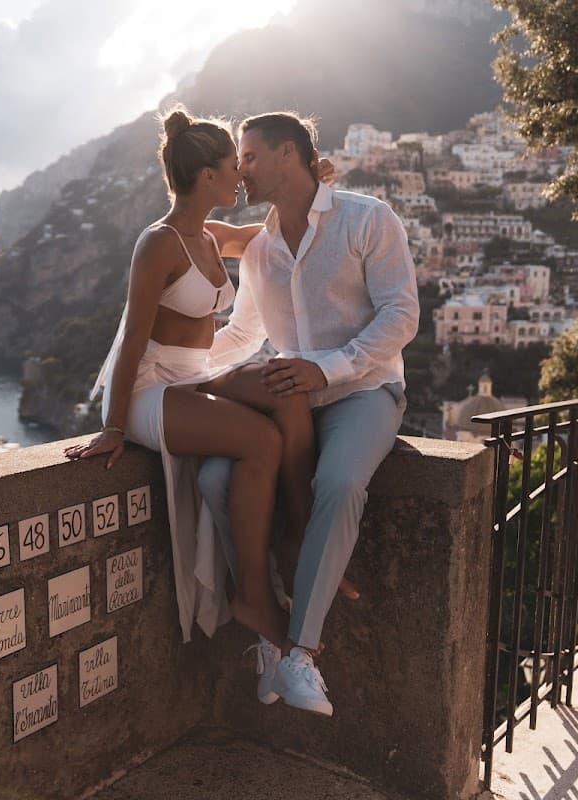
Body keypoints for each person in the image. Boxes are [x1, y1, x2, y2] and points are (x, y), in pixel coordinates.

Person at [64, 107, 332, 650]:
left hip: (194, 378)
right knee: (260, 440)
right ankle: (254, 596)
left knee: (288, 389)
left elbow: (271, 230)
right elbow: (133, 338)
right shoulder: (158, 242)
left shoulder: (210, 236)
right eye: (237, 165)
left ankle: (304, 540)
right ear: (208, 175)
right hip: (147, 391)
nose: (244, 176)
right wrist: (114, 428)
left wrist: (310, 184)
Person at [199, 112, 419, 716]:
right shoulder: (261, 251)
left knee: (341, 481)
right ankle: (269, 626)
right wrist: (171, 366)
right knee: (216, 477)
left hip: (364, 391)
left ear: (288, 154)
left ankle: (302, 652)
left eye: (247, 156)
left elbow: (401, 316)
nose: (238, 169)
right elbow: (244, 334)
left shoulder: (367, 218)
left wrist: (330, 367)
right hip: (290, 402)